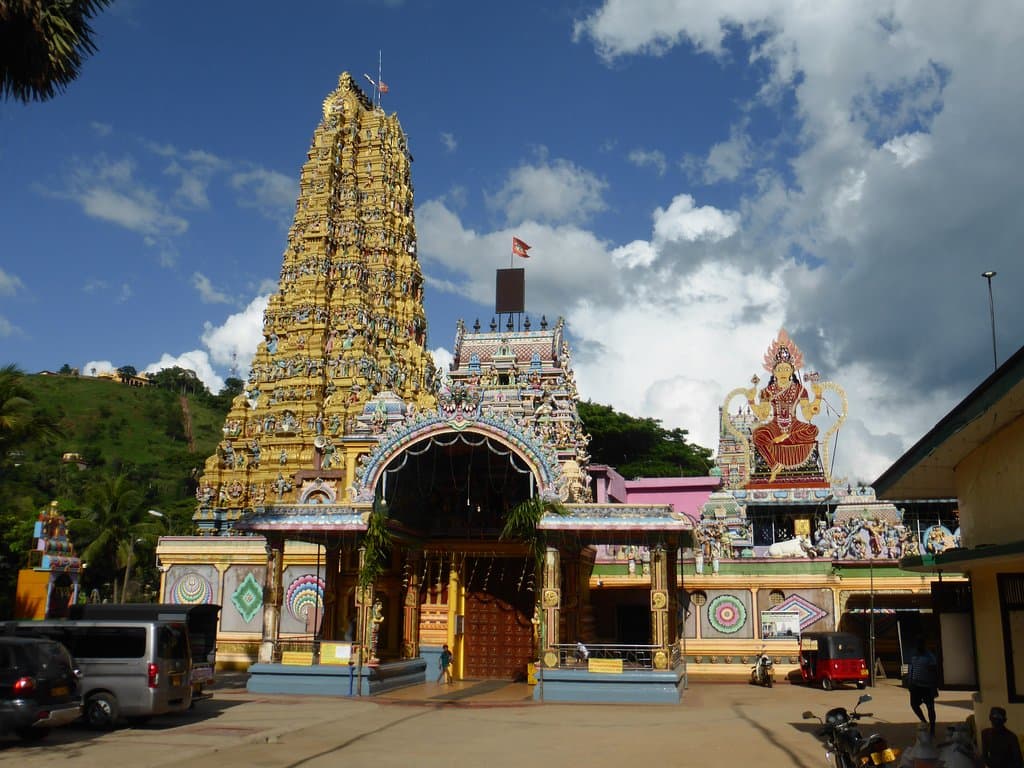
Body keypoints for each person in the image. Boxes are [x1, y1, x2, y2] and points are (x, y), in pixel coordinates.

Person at [906, 636, 939, 735]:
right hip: (915, 686)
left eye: (921, 644)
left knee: (930, 708)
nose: (919, 647)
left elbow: (934, 672)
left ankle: (932, 727)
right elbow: (911, 670)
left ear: (924, 645)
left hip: (927, 687)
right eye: (917, 645)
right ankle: (924, 722)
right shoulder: (913, 656)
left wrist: (934, 687)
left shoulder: (930, 657)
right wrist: (910, 682)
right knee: (914, 705)